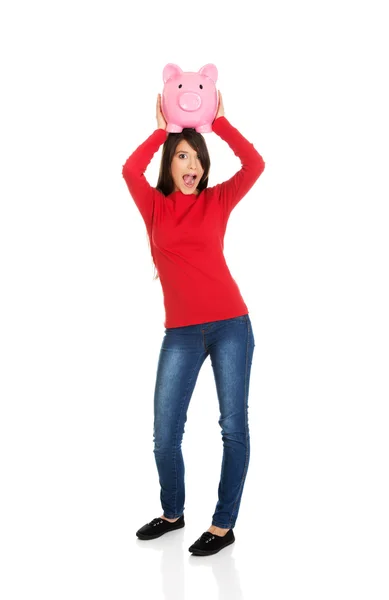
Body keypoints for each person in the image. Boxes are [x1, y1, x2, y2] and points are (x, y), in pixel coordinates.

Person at [122, 90, 265, 556]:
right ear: (170, 162)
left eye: (197, 159)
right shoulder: (155, 206)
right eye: (182, 157)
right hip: (181, 332)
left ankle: (223, 525)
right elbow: (128, 171)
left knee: (232, 427)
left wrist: (218, 125)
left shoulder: (218, 199)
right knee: (165, 434)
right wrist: (162, 128)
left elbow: (255, 164)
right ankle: (173, 512)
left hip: (231, 325)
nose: (192, 166)